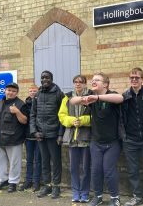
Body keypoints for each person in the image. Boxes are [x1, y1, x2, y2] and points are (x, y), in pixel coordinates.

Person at [70, 72, 123, 206]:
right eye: (92, 80)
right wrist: (85, 99)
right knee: (96, 170)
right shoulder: (90, 97)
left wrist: (98, 97)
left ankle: (115, 197)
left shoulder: (111, 94)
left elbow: (120, 98)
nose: (93, 82)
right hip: (96, 142)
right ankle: (98, 196)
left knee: (109, 170)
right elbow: (72, 101)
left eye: (97, 80)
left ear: (105, 84)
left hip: (112, 142)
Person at [120, 67, 143, 206]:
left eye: (137, 77)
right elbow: (121, 119)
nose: (134, 80)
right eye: (132, 78)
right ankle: (136, 197)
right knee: (133, 170)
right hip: (130, 140)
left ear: (142, 79)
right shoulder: (124, 97)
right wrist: (124, 136)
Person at [30, 70, 65, 199]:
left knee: (56, 162)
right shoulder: (37, 94)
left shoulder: (58, 94)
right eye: (42, 78)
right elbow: (33, 114)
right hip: (40, 135)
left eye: (47, 78)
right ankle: (47, 185)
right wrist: (34, 131)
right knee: (44, 161)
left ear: (52, 79)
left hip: (54, 134)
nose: (45, 80)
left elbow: (62, 115)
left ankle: (56, 187)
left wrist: (60, 134)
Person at [58, 75, 92, 203]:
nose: (78, 84)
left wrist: (83, 120)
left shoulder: (90, 96)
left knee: (86, 167)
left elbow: (97, 116)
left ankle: (85, 193)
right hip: (72, 138)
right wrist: (72, 121)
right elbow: (61, 116)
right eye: (76, 82)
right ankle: (76, 192)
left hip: (86, 137)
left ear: (85, 84)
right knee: (73, 168)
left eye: (81, 82)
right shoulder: (67, 97)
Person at [0, 82, 28, 193]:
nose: (10, 92)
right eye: (9, 90)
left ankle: (13, 182)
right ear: (5, 90)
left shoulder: (21, 104)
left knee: (14, 162)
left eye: (13, 91)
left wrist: (17, 112)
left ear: (17, 93)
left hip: (14, 138)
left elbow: (24, 121)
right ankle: (3, 180)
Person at [19, 84, 41, 192]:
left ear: (38, 91)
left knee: (38, 160)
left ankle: (36, 182)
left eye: (34, 90)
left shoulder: (41, 103)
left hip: (38, 137)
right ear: (28, 92)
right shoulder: (25, 105)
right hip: (28, 138)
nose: (32, 92)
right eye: (31, 90)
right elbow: (23, 122)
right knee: (29, 160)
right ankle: (28, 181)